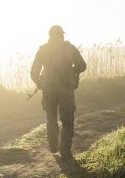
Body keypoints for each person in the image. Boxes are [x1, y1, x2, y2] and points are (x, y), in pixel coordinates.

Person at [30, 25, 87, 160]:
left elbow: (33, 72)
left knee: (51, 118)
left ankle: (53, 146)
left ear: (50, 36)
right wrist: (72, 70)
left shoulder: (43, 50)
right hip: (66, 89)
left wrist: (40, 82)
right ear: (61, 35)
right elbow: (82, 65)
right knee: (67, 120)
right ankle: (65, 152)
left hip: (48, 89)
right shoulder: (69, 47)